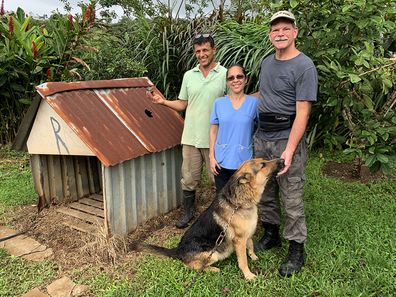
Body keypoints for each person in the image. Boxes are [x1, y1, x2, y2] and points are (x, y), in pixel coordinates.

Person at [253, 10, 318, 277]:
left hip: (285, 136)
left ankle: (296, 248)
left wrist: (289, 150)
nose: (280, 33)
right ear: (270, 35)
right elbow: (263, 95)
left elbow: (303, 111)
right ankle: (271, 234)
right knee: (265, 190)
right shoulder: (267, 63)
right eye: (275, 30)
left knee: (291, 194)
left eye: (285, 29)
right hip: (262, 136)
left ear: (295, 32)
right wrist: (232, 101)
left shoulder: (304, 67)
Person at [150, 34, 227, 229]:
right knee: (189, 178)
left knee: (216, 179)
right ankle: (188, 211)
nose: (202, 55)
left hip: (215, 139)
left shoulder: (225, 74)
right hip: (191, 137)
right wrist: (163, 102)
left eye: (205, 50)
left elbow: (231, 104)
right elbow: (183, 104)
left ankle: (221, 215)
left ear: (213, 50)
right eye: (198, 51)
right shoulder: (189, 75)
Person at [209, 64, 258, 192]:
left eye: (239, 76)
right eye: (231, 78)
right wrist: (211, 157)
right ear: (227, 82)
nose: (235, 80)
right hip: (221, 160)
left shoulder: (254, 104)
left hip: (243, 162)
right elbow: (213, 130)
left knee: (242, 201)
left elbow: (259, 129)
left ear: (246, 79)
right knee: (223, 201)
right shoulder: (218, 103)